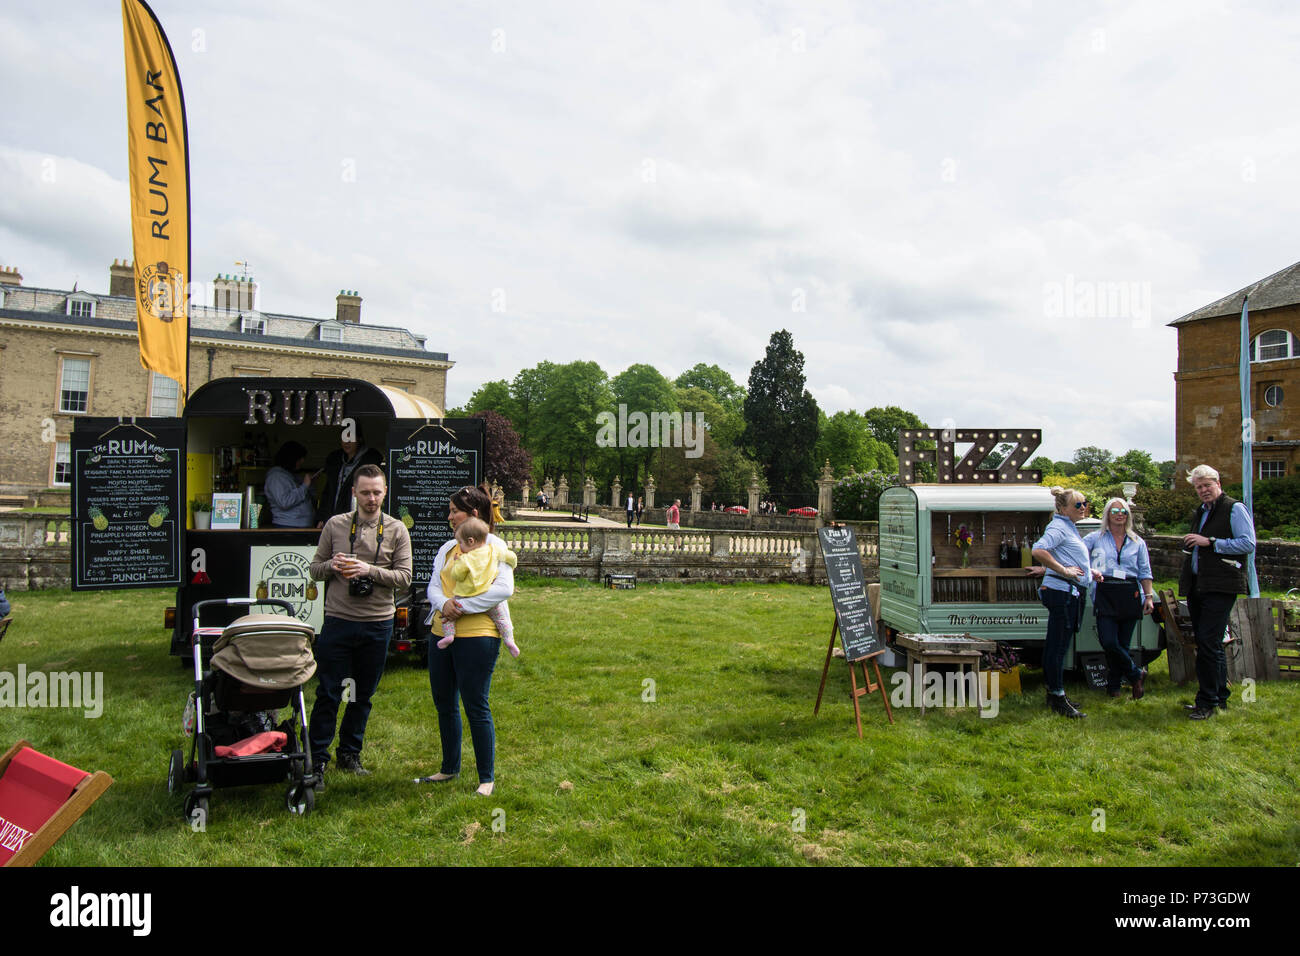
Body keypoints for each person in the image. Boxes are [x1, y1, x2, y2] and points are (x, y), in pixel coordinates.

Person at [307, 464, 412, 782]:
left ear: (385, 491)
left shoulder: (396, 529)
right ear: (354, 492)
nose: (371, 498)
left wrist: (368, 571)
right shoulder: (336, 526)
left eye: (377, 492)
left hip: (378, 623)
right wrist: (333, 566)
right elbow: (314, 569)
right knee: (328, 692)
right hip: (338, 620)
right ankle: (317, 760)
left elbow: (405, 578)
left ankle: (350, 754)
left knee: (362, 695)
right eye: (365, 492)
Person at [419, 484, 515, 796]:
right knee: (444, 702)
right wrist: (443, 605)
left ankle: (486, 777)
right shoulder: (447, 549)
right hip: (440, 633)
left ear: (473, 514)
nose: (449, 517)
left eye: (453, 511)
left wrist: (460, 608)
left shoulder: (495, 546)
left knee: (476, 704)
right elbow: (434, 585)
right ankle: (449, 768)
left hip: (478, 636)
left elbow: (503, 589)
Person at [1179, 464, 1257, 719]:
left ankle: (1207, 702)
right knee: (1209, 643)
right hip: (1199, 584)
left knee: (1208, 642)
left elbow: (1248, 543)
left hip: (1221, 584)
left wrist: (1210, 542)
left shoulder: (1234, 508)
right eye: (1198, 487)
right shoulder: (1201, 512)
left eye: (1207, 485)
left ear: (1218, 483)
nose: (1203, 490)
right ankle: (1218, 697)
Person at [1031, 487, 1099, 718]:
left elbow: (1069, 556)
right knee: (1058, 646)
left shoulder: (1068, 527)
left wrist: (1090, 572)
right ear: (1062, 508)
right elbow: (1038, 550)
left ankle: (1055, 693)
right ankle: (1057, 696)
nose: (1083, 508)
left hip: (1068, 590)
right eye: (1077, 504)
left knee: (1058, 645)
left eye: (1085, 503)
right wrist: (1063, 570)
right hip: (1062, 592)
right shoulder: (1059, 527)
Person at [1083, 498, 1155, 700]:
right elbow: (1076, 554)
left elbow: (1145, 571)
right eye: (1114, 510)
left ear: (1128, 515)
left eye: (1123, 511)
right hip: (1105, 591)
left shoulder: (1137, 542)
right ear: (1107, 514)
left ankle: (1113, 687)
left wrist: (1148, 596)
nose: (1119, 514)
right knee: (1109, 641)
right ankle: (1135, 673)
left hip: (1130, 592)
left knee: (1123, 644)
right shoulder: (1094, 538)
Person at [437, 516, 519, 658]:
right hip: (487, 592)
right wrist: (513, 564)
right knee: (502, 618)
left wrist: (457, 563)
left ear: (470, 541)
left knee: (448, 615)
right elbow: (511, 557)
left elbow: (457, 575)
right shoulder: (494, 550)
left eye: (461, 543)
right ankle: (509, 640)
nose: (460, 546)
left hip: (465, 595)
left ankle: (449, 635)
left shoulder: (465, 558)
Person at [316, 427, 383, 526]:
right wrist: (322, 517)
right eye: (344, 438)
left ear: (359, 439)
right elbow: (328, 492)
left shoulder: (370, 460)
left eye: (350, 438)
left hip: (358, 519)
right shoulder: (335, 460)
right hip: (333, 518)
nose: (346, 442)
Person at [264, 441, 317, 528]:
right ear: (291, 458)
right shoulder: (276, 477)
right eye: (299, 459)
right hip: (288, 525)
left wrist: (310, 484)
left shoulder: (290, 475)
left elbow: (309, 496)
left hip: (300, 524)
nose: (302, 461)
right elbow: (284, 502)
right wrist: (305, 485)